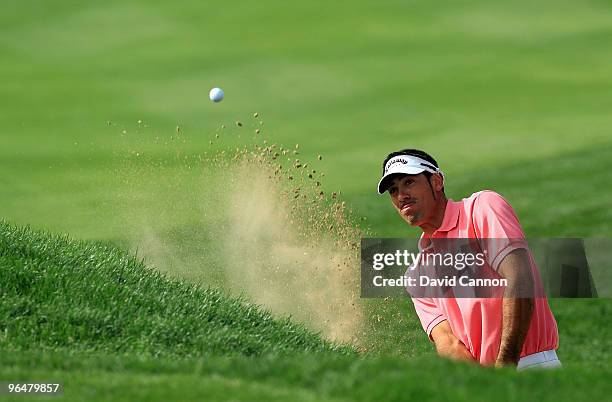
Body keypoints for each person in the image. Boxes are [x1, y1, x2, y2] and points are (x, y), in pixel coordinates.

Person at [377, 149, 561, 370]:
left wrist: (505, 366)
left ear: (436, 181)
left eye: (409, 182)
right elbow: (448, 343)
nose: (401, 195)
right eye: (393, 190)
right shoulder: (417, 275)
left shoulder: (481, 208)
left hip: (530, 366)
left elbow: (519, 278)